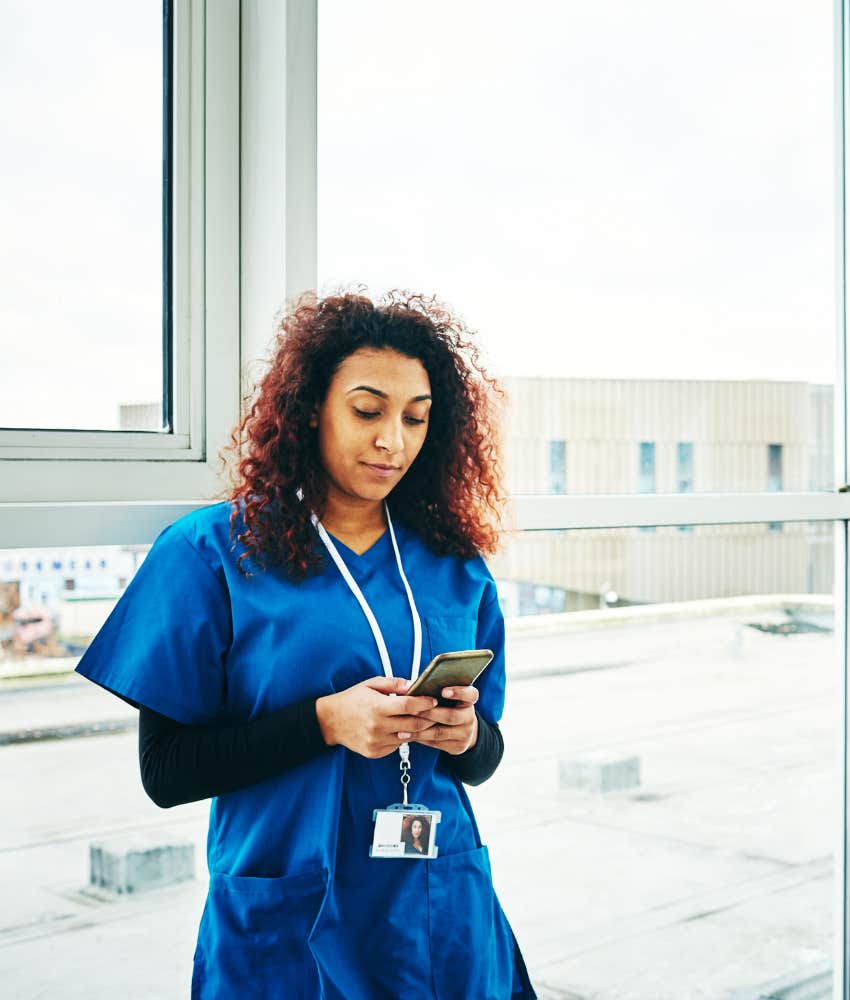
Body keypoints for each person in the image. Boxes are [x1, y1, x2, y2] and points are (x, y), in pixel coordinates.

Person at [75, 290, 536, 999]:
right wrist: (326, 722)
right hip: (290, 917)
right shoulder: (212, 553)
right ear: (311, 408)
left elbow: (483, 761)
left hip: (439, 913)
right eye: (367, 410)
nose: (394, 441)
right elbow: (166, 772)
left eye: (416, 418)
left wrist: (463, 732)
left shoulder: (453, 565)